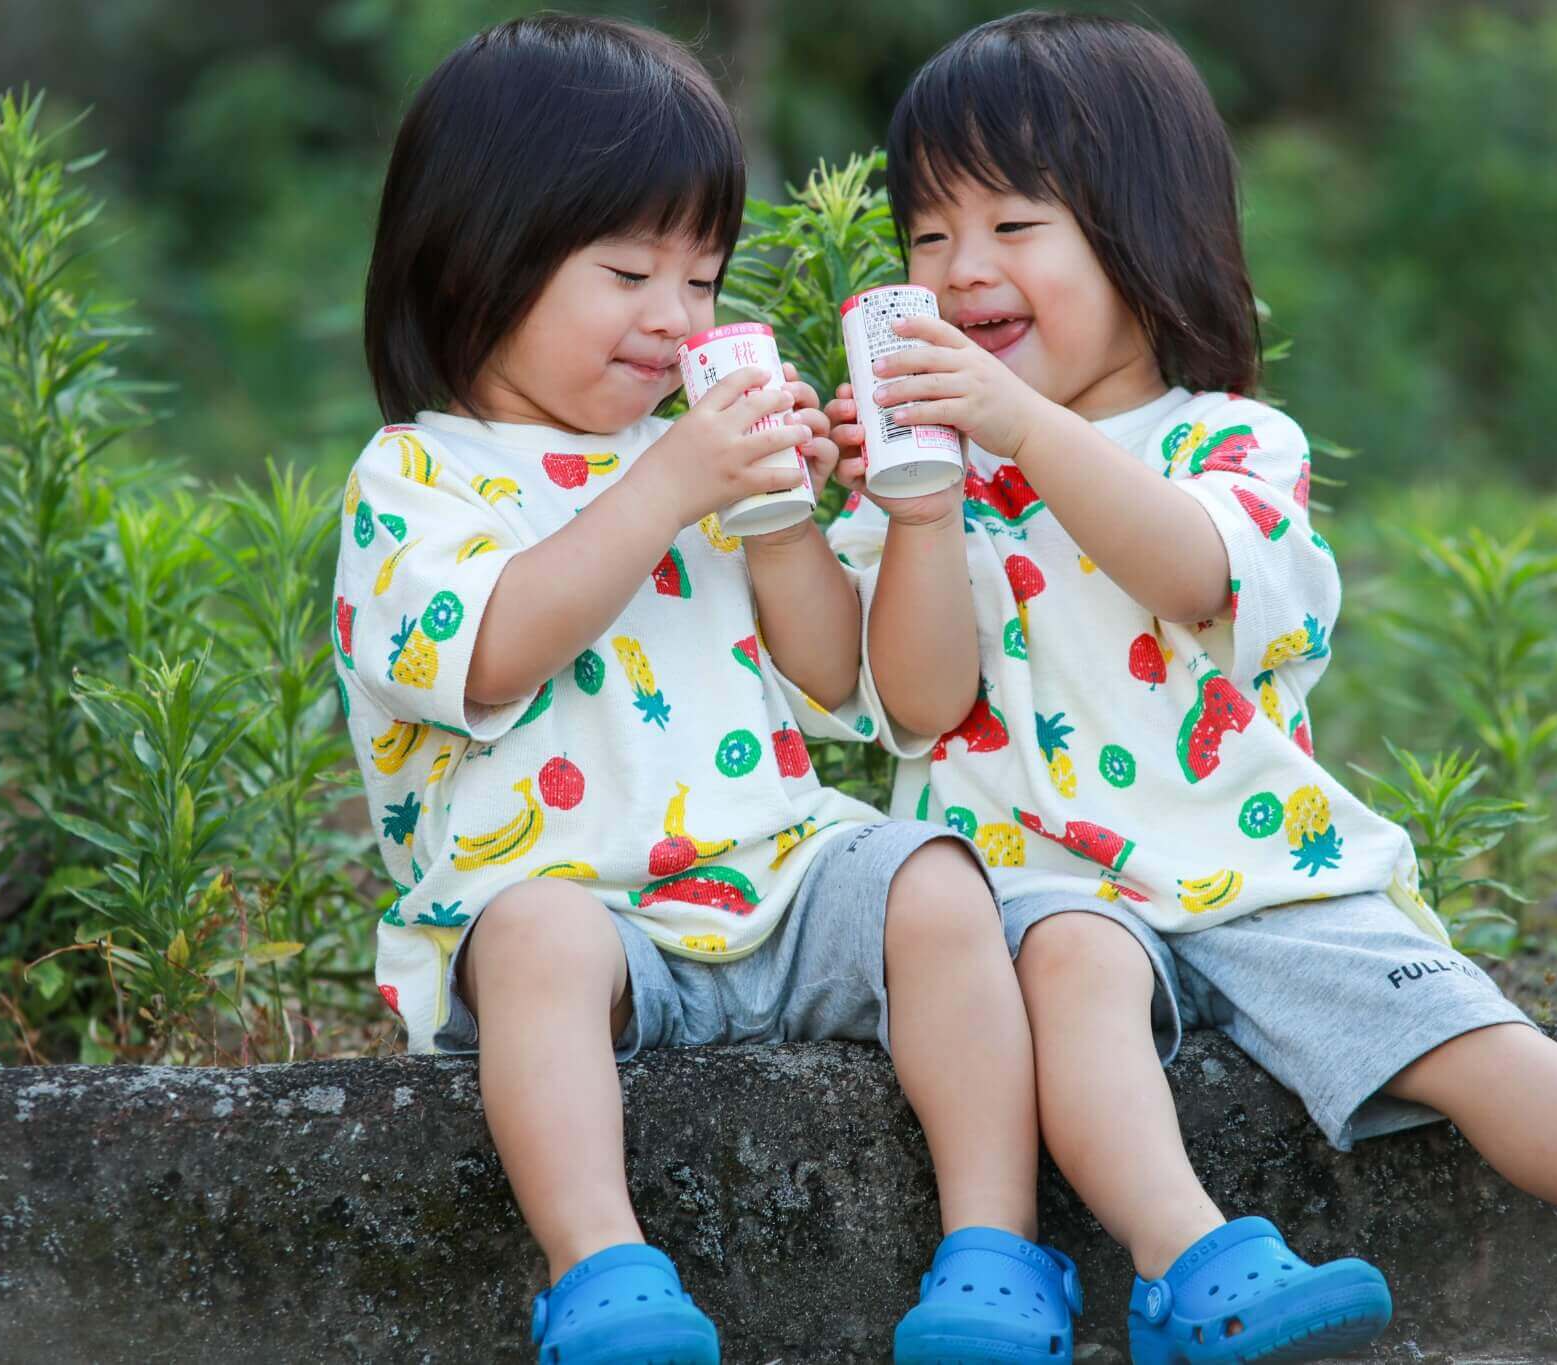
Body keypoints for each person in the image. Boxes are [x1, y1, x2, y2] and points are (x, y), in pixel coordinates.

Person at [826, 12, 1557, 1362]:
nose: (961, 269)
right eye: (928, 238)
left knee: (1457, 1021)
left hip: (1268, 861)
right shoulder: (929, 481)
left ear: (1143, 233)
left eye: (1012, 224)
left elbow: (1190, 572)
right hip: (1040, 870)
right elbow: (925, 700)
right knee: (1070, 969)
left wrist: (1017, 429)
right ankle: (1199, 1262)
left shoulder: (1230, 438)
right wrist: (924, 501)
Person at [337, 17, 1077, 1363]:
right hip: (577, 913)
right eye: (630, 271)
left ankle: (994, 1244)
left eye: (705, 276)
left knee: (935, 881)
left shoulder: (686, 459)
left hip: (771, 875)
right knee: (531, 946)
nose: (680, 318)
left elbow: (825, 671)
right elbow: (491, 647)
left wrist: (788, 507)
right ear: (476, 258)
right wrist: (671, 482)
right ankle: (603, 1265)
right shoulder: (417, 475)